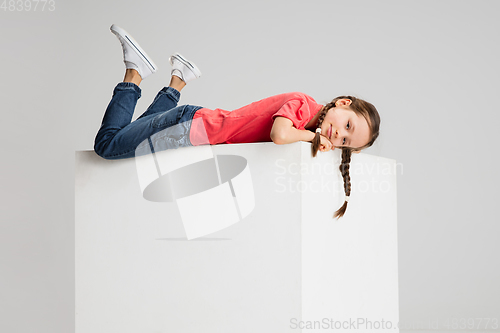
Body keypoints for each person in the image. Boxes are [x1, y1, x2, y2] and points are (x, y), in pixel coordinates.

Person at [94, 24, 380, 218]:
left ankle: (178, 79)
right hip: (190, 129)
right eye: (347, 125)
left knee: (137, 130)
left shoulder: (306, 120)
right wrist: (313, 138)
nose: (338, 135)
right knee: (108, 145)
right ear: (344, 103)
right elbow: (279, 133)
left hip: (192, 125)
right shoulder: (304, 105)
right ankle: (135, 74)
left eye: (345, 141)